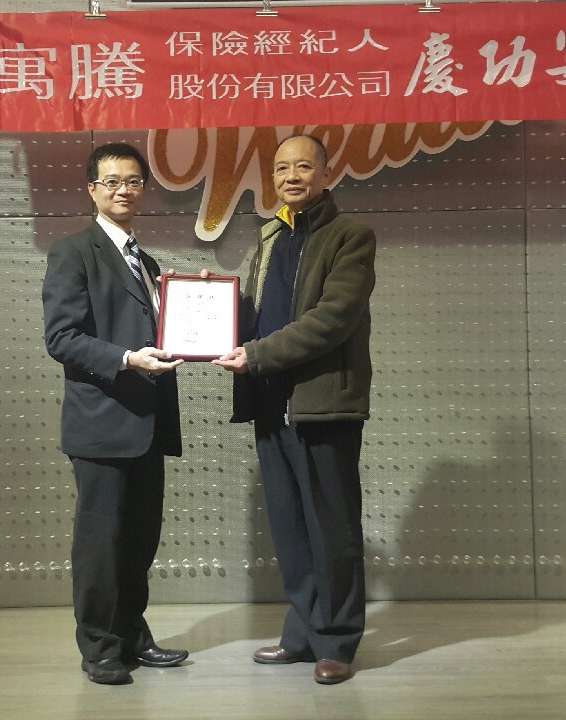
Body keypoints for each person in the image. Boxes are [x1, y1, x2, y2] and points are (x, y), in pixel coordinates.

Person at [214, 134, 376, 685]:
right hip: (270, 403)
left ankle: (337, 642)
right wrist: (211, 304)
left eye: (303, 166)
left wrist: (257, 354)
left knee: (332, 529)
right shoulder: (270, 239)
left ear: (326, 174)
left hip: (321, 404)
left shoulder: (350, 237)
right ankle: (303, 635)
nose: (291, 176)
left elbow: (332, 319)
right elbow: (258, 313)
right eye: (282, 168)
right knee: (290, 529)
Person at [42, 142, 189, 685]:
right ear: (92, 190)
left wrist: (193, 304)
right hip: (102, 424)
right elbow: (61, 338)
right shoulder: (73, 252)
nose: (123, 190)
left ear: (143, 188)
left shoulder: (146, 262)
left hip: (148, 421)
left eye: (133, 181)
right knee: (101, 545)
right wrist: (127, 359)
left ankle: (131, 635)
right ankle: (100, 648)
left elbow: (162, 331)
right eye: (112, 181)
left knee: (139, 541)